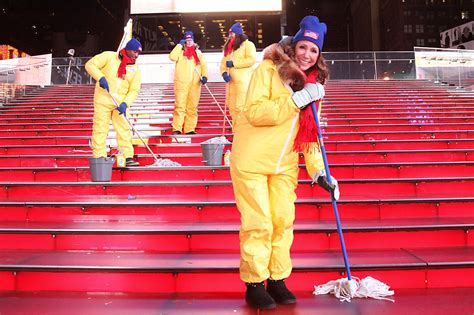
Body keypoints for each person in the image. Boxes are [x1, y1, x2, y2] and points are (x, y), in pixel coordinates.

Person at [230, 16, 340, 309]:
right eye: (303, 47)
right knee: (259, 222)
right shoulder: (268, 69)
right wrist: (295, 100)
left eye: (313, 51)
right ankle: (255, 283)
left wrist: (319, 173)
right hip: (251, 159)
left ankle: (277, 279)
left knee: (283, 221)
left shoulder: (315, 84)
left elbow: (310, 133)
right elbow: (254, 112)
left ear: (319, 55)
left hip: (285, 164)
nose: (307, 55)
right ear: (293, 47)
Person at [85, 38, 142, 167]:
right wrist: (100, 77)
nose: (136, 55)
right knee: (100, 129)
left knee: (124, 130)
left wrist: (125, 103)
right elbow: (90, 64)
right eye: (135, 52)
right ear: (128, 49)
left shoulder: (136, 69)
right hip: (103, 100)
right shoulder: (109, 57)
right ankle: (99, 157)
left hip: (120, 104)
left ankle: (127, 157)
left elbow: (134, 90)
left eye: (139, 53)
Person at [169, 31, 208, 135]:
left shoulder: (198, 53)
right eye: (187, 40)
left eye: (190, 40)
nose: (189, 42)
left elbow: (204, 65)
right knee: (180, 106)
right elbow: (172, 57)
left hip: (195, 84)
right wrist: (179, 45)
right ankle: (177, 128)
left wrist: (204, 76)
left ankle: (190, 129)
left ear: (193, 40)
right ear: (184, 41)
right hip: (181, 83)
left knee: (192, 107)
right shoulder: (180, 52)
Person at [220, 22, 256, 126]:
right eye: (229, 34)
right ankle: (235, 133)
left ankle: (242, 134)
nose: (230, 35)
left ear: (238, 34)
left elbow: (251, 60)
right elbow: (223, 64)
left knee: (241, 108)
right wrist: (223, 73)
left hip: (243, 83)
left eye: (232, 33)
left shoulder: (248, 45)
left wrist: (234, 63)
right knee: (232, 109)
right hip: (231, 84)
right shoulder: (229, 48)